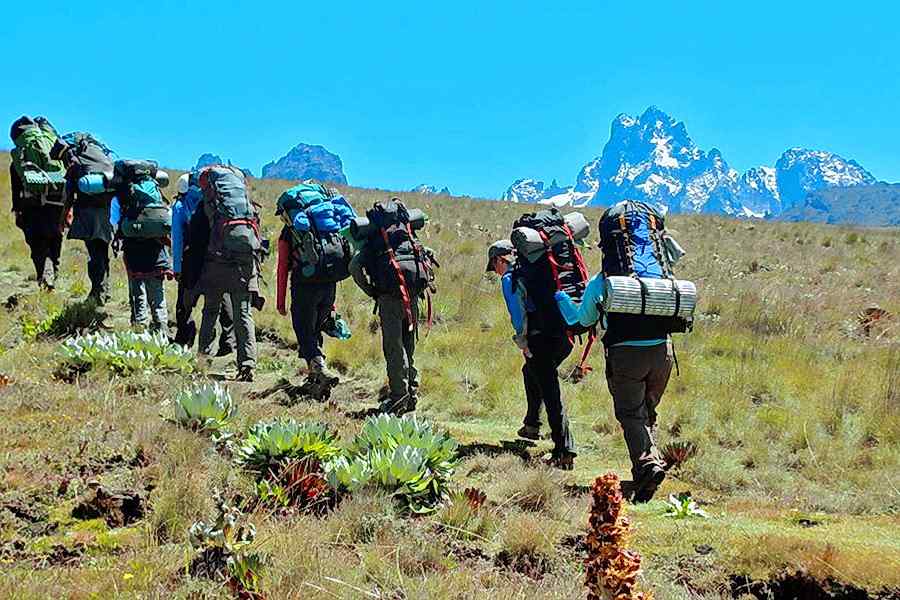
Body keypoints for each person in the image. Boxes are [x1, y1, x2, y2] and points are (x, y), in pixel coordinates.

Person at [555, 199, 691, 502]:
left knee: (630, 413)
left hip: (625, 353)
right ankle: (648, 467)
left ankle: (647, 467)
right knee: (646, 411)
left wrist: (561, 300)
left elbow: (583, 319)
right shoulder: (660, 276)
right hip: (663, 353)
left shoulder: (603, 281)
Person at [488, 239, 577, 470]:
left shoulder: (511, 278)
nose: (495, 271)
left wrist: (523, 342)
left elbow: (518, 314)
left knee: (550, 390)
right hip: (563, 336)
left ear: (500, 259)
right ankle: (532, 424)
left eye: (494, 265)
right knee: (531, 372)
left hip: (541, 339)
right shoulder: (538, 271)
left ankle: (564, 450)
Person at [349, 199, 436, 415]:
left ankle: (398, 400)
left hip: (389, 299)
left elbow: (354, 266)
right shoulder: (407, 234)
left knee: (394, 349)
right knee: (409, 347)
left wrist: (370, 290)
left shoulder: (376, 239)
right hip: (413, 296)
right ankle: (411, 395)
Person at [274, 183, 355, 395]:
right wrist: (332, 306)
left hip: (304, 287)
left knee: (304, 331)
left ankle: (319, 368)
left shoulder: (290, 233)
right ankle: (315, 383)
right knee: (315, 328)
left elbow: (283, 267)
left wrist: (281, 303)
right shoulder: (326, 229)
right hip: (329, 286)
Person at [193, 165, 260, 382]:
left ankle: (202, 359)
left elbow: (199, 237)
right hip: (244, 265)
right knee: (243, 313)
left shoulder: (210, 206)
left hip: (218, 263)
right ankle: (248, 364)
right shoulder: (246, 205)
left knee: (210, 311)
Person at [171, 172, 234, 352]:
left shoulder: (181, 205)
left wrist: (177, 268)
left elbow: (177, 240)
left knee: (185, 301)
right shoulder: (218, 201)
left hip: (192, 261)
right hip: (219, 259)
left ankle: (184, 338)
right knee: (221, 300)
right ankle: (228, 341)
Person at [50, 133, 116, 305]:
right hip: (107, 211)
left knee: (95, 254)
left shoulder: (75, 161)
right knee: (102, 252)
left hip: (88, 212)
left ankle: (97, 294)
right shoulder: (100, 157)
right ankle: (104, 291)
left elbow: (69, 194)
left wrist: (63, 217)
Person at [8, 116, 65, 290]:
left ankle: (45, 276)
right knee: (55, 237)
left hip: (31, 205)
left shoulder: (19, 159)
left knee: (37, 242)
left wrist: (17, 211)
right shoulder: (51, 148)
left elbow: (16, 189)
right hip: (57, 202)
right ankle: (54, 272)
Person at [110, 194, 172, 332]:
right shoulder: (158, 197)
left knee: (138, 295)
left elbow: (114, 224)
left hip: (133, 254)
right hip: (157, 255)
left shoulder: (119, 199)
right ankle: (162, 330)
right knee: (158, 296)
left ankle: (139, 328)